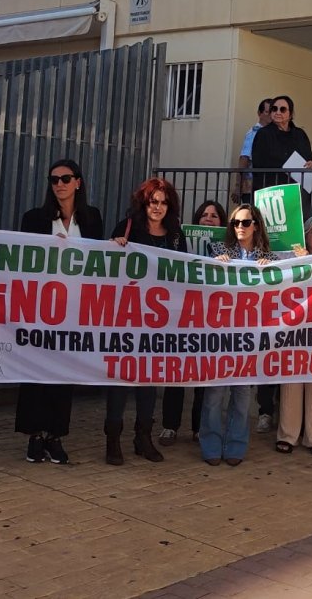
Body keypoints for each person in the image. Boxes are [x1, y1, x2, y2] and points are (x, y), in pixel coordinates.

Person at [13, 159, 104, 465]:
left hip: (75, 307)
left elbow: (100, 258)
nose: (60, 184)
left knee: (64, 371)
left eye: (66, 178)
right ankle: (34, 435)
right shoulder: (34, 218)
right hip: (41, 305)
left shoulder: (92, 218)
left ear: (78, 182)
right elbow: (22, 258)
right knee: (36, 369)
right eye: (54, 180)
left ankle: (56, 435)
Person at [108, 178, 188, 465]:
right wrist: (113, 246)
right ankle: (112, 438)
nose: (158, 207)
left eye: (164, 202)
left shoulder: (176, 235)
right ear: (143, 203)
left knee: (149, 380)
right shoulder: (127, 227)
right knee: (121, 379)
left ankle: (143, 437)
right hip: (127, 316)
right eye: (153, 201)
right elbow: (106, 265)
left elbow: (184, 272)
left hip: (159, 320)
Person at [204, 204, 280, 466]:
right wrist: (215, 265)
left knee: (242, 395)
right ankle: (211, 445)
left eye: (245, 222)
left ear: (256, 226)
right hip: (221, 334)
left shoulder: (269, 257)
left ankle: (236, 445)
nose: (240, 227)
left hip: (250, 337)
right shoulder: (217, 251)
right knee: (214, 395)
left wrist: (271, 269)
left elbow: (284, 286)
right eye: (235, 223)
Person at [160, 201, 224, 445]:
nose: (209, 219)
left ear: (222, 221)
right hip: (183, 315)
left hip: (211, 318)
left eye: (214, 216)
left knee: (203, 376)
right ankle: (170, 426)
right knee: (177, 373)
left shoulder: (227, 247)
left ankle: (199, 427)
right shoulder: (180, 240)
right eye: (204, 215)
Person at [274, 215, 312, 457]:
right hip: (294, 329)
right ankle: (287, 434)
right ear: (305, 234)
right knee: (291, 381)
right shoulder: (290, 257)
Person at [250, 95, 312, 196]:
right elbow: (258, 163)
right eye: (274, 109)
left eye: (283, 109)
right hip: (274, 191)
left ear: (290, 114)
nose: (278, 112)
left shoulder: (300, 134)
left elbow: (309, 156)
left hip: (298, 191)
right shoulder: (263, 133)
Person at [236, 98, 274, 202]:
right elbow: (244, 159)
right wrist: (238, 186)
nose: (271, 115)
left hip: (268, 187)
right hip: (252, 187)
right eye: (267, 112)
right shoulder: (254, 133)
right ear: (259, 113)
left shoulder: (273, 133)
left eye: (272, 111)